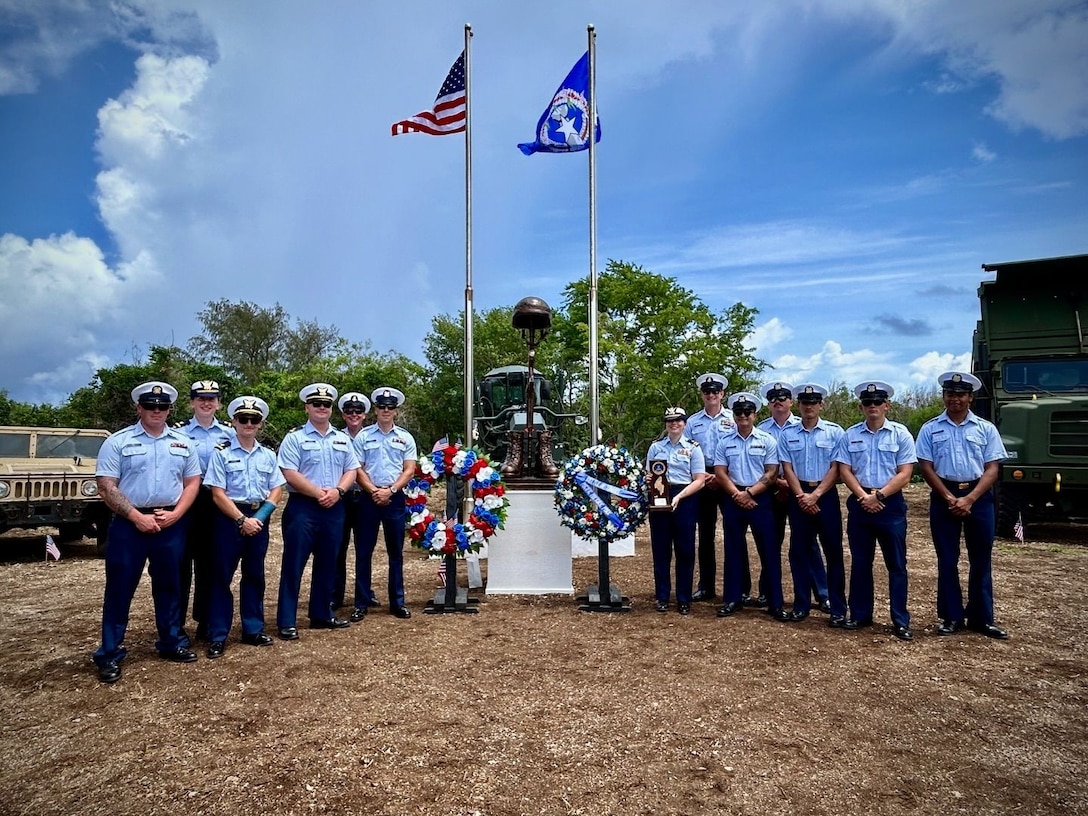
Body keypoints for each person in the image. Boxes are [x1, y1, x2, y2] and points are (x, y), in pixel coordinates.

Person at [92, 382, 202, 683]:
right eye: (150, 406)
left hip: (170, 521)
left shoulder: (182, 442)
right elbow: (106, 485)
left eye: (162, 407)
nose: (157, 411)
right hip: (130, 524)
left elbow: (193, 481)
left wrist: (177, 513)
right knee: (119, 589)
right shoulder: (118, 442)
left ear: (169, 410)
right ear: (138, 408)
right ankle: (110, 653)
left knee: (171, 587)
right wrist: (136, 517)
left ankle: (171, 642)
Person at [916, 371, 1010, 639]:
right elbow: (926, 466)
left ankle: (982, 618)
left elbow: (992, 468)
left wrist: (970, 498)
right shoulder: (930, 428)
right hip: (943, 496)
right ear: (944, 397)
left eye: (960, 394)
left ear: (970, 397)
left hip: (978, 498)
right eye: (950, 394)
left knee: (981, 560)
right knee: (947, 560)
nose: (954, 399)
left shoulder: (985, 428)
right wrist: (948, 497)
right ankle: (951, 617)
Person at [202, 396, 286, 658]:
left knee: (254, 576)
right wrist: (241, 520)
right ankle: (217, 634)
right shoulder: (222, 454)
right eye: (243, 419)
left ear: (260, 424)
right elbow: (217, 493)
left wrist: (258, 517)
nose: (248, 424)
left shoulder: (268, 455)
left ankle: (253, 629)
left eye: (254, 420)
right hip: (229, 519)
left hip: (258, 518)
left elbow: (276, 489)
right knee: (220, 578)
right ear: (234, 422)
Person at [833, 381, 917, 641]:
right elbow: (844, 469)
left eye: (877, 402)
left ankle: (900, 620)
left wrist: (879, 496)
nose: (873, 407)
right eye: (867, 403)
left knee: (896, 565)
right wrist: (863, 496)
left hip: (889, 504)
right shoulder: (850, 434)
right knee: (860, 563)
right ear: (861, 407)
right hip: (860, 504)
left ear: (887, 405)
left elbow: (905, 473)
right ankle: (860, 614)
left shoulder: (900, 434)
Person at [275, 383, 360, 640]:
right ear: (307, 407)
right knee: (294, 564)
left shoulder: (342, 438)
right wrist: (317, 493)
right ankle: (287, 620)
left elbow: (351, 469)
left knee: (329, 562)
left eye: (325, 404)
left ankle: (321, 613)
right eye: (316, 404)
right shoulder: (295, 438)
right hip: (303, 507)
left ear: (331, 409)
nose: (321, 408)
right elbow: (288, 472)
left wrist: (338, 492)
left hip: (334, 506)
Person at [712, 392, 789, 622]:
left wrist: (750, 493)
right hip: (733, 497)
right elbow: (720, 472)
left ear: (755, 415)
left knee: (769, 551)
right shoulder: (724, 441)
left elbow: (772, 472)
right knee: (733, 551)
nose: (743, 416)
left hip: (761, 499)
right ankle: (733, 599)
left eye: (747, 412)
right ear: (734, 416)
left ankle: (775, 602)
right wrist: (738, 494)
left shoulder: (767, 440)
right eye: (739, 412)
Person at [779, 384, 846, 625]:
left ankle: (838, 608)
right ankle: (801, 604)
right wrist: (802, 496)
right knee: (799, 552)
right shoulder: (788, 434)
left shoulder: (835, 432)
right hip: (799, 496)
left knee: (833, 553)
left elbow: (837, 468)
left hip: (825, 495)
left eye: (814, 402)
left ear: (821, 405)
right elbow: (787, 468)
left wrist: (815, 495)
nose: (809, 406)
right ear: (798, 405)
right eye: (805, 402)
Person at [175, 380, 234, 640]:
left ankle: (206, 620)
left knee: (211, 564)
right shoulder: (178, 433)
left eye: (212, 398)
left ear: (219, 403)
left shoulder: (230, 434)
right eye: (201, 398)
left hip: (217, 503)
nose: (206, 403)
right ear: (192, 402)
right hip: (185, 503)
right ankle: (175, 624)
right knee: (180, 565)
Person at [354, 387, 417, 620]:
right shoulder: (363, 436)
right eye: (382, 407)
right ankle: (360, 602)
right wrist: (373, 491)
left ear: (396, 411)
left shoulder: (405, 437)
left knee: (395, 552)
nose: (386, 411)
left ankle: (397, 602)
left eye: (390, 407)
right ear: (376, 410)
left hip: (394, 498)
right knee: (363, 551)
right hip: (368, 498)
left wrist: (390, 490)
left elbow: (409, 469)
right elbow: (357, 468)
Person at [645, 406, 705, 615]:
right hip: (660, 496)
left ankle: (683, 598)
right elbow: (650, 474)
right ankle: (662, 596)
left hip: (685, 497)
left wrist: (679, 497)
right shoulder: (656, 448)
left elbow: (699, 480)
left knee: (685, 550)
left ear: (685, 423)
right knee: (661, 549)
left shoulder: (693, 447)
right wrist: (649, 480)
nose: (674, 424)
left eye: (678, 420)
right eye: (670, 420)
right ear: (666, 424)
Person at [686, 372, 734, 602]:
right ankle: (706, 586)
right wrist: (702, 476)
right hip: (702, 479)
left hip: (730, 479)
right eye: (707, 392)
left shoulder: (735, 418)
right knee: (705, 535)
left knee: (734, 535)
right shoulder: (692, 422)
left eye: (715, 391)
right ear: (702, 395)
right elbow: (684, 451)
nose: (711, 395)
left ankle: (738, 588)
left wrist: (722, 476)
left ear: (722, 394)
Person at [332, 391, 372, 613]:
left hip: (365, 497)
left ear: (364, 414)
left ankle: (364, 594)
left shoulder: (373, 436)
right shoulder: (336, 437)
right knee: (339, 547)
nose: (354, 415)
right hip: (343, 497)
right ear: (343, 415)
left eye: (358, 411)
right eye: (349, 412)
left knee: (364, 548)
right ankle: (335, 594)